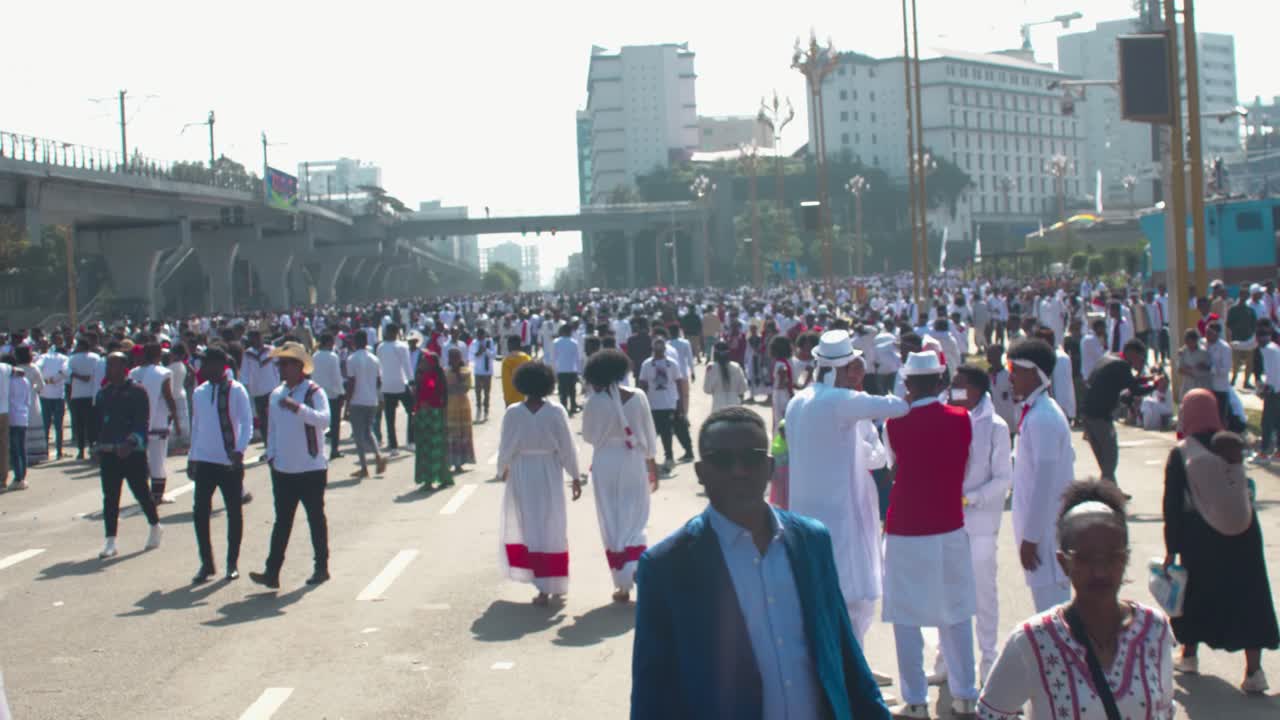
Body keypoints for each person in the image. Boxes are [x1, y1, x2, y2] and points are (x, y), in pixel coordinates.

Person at [631, 406, 891, 720]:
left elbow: (844, 652)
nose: (738, 470)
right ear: (701, 472)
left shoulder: (811, 541)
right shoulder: (668, 566)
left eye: (751, 458)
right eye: (722, 460)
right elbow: (652, 689)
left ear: (769, 467)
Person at [978, 481, 1176, 719]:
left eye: (1112, 557)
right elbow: (990, 714)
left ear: (1126, 558)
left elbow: (1164, 710)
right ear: (1063, 563)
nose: (1100, 571)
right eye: (1085, 558)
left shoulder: (1154, 629)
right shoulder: (1032, 641)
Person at [785, 329, 908, 678]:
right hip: (840, 514)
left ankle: (852, 666)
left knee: (821, 596)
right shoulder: (841, 401)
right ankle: (851, 674)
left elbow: (868, 456)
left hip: (807, 516)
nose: (859, 373)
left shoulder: (799, 401)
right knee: (850, 596)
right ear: (841, 368)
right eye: (855, 366)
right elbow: (899, 407)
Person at [882, 350, 978, 718]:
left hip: (906, 528)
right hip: (949, 523)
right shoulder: (962, 418)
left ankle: (916, 701)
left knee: (906, 616)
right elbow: (965, 466)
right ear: (940, 381)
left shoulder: (894, 423)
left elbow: (893, 467)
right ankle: (965, 694)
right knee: (957, 611)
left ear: (907, 383)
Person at [1162, 390, 1277, 694]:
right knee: (1249, 597)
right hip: (1245, 531)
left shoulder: (1183, 452)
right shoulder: (1231, 444)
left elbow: (1172, 505)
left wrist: (1172, 549)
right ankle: (1254, 672)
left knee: (1196, 593)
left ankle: (1189, 656)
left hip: (1201, 534)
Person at [943, 365, 1013, 684]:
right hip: (949, 521)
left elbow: (1003, 479)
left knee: (984, 595)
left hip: (981, 523)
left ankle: (988, 659)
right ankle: (946, 661)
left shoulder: (995, 426)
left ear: (974, 390)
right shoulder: (947, 418)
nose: (952, 390)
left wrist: (970, 498)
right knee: (948, 592)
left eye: (958, 385)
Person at [496, 362, 583, 606]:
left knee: (529, 527)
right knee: (552, 525)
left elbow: (505, 446)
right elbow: (567, 447)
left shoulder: (513, 412)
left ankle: (542, 586)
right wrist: (575, 475)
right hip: (549, 472)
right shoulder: (556, 411)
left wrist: (502, 469)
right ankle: (554, 582)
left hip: (522, 472)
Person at [250, 343, 332, 589]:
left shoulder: (314, 392)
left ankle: (321, 567)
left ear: (299, 366)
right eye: (280, 364)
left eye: (285, 363)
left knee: (315, 519)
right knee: (282, 522)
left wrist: (299, 408)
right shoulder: (277, 394)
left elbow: (324, 421)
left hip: (311, 467)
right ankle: (272, 571)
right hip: (284, 469)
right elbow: (272, 429)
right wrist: (271, 456)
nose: (281, 368)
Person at [581, 349, 658, 603]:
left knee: (611, 519)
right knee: (635, 518)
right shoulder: (639, 396)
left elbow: (589, 436)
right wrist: (652, 464)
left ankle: (621, 584)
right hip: (633, 460)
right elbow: (649, 433)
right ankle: (635, 567)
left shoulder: (594, 402)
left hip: (605, 461)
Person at [1008, 338, 1075, 611]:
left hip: (1045, 540)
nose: (1011, 377)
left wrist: (1032, 537)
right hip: (1041, 537)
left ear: (1035, 373)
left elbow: (1044, 483)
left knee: (1053, 619)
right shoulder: (1036, 412)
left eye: (1016, 370)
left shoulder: (1044, 417)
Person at [188, 346, 252, 583]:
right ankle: (206, 563)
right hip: (205, 460)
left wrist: (240, 450)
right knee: (200, 513)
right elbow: (196, 427)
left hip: (228, 460)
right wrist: (192, 457)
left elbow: (246, 422)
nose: (203, 368)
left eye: (207, 364)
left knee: (234, 512)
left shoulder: (236, 390)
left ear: (219, 365)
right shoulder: (200, 392)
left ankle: (232, 563)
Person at [95, 352, 163, 559]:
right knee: (110, 497)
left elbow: (142, 421)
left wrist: (131, 442)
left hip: (132, 452)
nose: (109, 369)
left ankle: (155, 524)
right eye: (108, 365)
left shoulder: (137, 391)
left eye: (114, 365)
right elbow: (98, 422)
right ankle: (110, 540)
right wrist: (97, 445)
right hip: (109, 452)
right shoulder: (104, 393)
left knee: (141, 492)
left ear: (124, 367)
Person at [1081, 338, 1153, 488]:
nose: (1140, 362)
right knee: (1110, 457)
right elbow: (1135, 390)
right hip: (1100, 416)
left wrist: (1147, 379)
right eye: (1140, 358)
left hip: (1088, 413)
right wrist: (1156, 385)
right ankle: (1106, 492)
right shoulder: (1122, 365)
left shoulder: (1110, 358)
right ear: (1132, 353)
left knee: (1104, 458)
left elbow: (1129, 382)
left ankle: (1112, 490)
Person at [129, 342, 180, 506]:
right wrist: (176, 419)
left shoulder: (133, 372)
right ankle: (157, 495)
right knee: (158, 459)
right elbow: (168, 397)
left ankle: (143, 493)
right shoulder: (163, 372)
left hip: (137, 422)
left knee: (141, 459)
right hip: (158, 421)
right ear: (158, 355)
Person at [637, 336, 692, 471]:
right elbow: (642, 384)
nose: (659, 349)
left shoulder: (672, 363)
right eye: (656, 346)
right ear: (652, 348)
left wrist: (680, 403)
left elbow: (678, 383)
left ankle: (669, 458)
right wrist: (641, 402)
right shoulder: (647, 364)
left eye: (661, 346)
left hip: (669, 404)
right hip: (652, 405)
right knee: (651, 432)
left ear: (664, 348)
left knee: (667, 432)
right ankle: (647, 458)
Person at [345, 331, 386, 479]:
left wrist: (347, 404)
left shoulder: (352, 359)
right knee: (368, 431)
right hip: (371, 400)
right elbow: (379, 381)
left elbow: (351, 383)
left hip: (357, 400)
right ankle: (378, 456)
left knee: (358, 435)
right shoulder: (374, 359)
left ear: (354, 342)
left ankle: (364, 467)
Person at [411, 351, 451, 489]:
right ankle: (441, 478)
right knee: (435, 448)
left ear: (431, 363)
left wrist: (423, 404)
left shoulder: (431, 377)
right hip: (431, 415)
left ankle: (429, 480)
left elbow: (430, 392)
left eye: (424, 361)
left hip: (429, 416)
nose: (421, 363)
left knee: (428, 448)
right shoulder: (429, 376)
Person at [376, 323, 414, 453]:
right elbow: (407, 365)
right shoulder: (402, 346)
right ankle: (411, 441)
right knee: (412, 411)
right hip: (401, 384)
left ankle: (393, 446)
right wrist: (411, 381)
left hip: (387, 385)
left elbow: (379, 366)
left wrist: (380, 381)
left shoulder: (380, 347)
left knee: (390, 417)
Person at [240, 330, 280, 452]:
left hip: (272, 389)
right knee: (263, 421)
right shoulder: (248, 354)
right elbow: (245, 373)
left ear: (261, 338)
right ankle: (268, 446)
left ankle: (277, 444)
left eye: (257, 338)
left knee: (274, 418)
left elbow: (278, 368)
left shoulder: (271, 350)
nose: (255, 341)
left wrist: (279, 384)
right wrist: (246, 387)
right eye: (252, 339)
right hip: (257, 391)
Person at [312, 333, 346, 460]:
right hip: (332, 394)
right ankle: (334, 449)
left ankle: (318, 450)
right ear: (328, 343)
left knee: (318, 424)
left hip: (318, 394)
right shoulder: (332, 357)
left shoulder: (314, 356)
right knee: (335, 424)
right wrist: (341, 392)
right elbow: (336, 377)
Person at [67, 338, 102, 460]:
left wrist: (78, 376)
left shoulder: (72, 359)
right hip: (92, 395)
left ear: (80, 346)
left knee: (79, 424)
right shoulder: (96, 358)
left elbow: (67, 373)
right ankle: (92, 446)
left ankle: (81, 450)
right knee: (91, 424)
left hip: (77, 395)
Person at [445, 346, 476, 473]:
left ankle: (459, 463)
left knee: (462, 433)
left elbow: (465, 388)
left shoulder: (466, 371)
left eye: (456, 357)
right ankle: (449, 462)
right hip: (449, 407)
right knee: (451, 434)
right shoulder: (445, 372)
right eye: (451, 357)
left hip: (463, 407)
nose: (453, 360)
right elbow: (445, 389)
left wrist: (456, 375)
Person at [2, 356, 30, 491]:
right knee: (21, 448)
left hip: (12, 416)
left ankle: (18, 478)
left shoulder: (9, 382)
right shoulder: (25, 380)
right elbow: (27, 399)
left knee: (14, 450)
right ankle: (22, 476)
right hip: (23, 416)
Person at [36, 340, 68, 460]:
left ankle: (45, 451)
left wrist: (44, 381)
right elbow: (65, 371)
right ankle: (59, 451)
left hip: (45, 395)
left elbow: (37, 367)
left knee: (46, 425)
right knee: (59, 426)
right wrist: (54, 379)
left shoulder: (43, 357)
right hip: (59, 396)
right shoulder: (64, 358)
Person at [701, 340, 748, 412]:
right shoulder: (736, 366)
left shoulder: (711, 367)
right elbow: (743, 389)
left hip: (717, 408)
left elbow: (706, 389)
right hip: (734, 407)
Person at [769, 334, 802, 434]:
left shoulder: (780, 363)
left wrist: (783, 383)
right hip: (784, 393)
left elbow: (783, 376)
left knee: (779, 418)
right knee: (783, 418)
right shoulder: (787, 361)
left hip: (780, 393)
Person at [1204, 320, 1233, 425]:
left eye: (1209, 333)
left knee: (1220, 417)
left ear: (1216, 334)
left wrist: (1210, 368)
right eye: (1206, 332)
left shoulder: (1224, 348)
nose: (1206, 335)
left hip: (1220, 388)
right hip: (1207, 386)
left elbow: (1226, 369)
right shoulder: (1204, 344)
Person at [469, 327, 497, 421]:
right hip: (478, 371)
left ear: (484, 334)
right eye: (478, 335)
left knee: (486, 392)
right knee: (478, 392)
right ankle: (478, 409)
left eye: (482, 335)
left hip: (487, 371)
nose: (480, 337)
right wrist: (479, 352)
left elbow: (493, 355)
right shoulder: (474, 343)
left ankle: (486, 411)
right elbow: (471, 357)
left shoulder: (489, 342)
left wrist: (485, 350)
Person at [1177, 328, 1212, 399]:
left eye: (1191, 342)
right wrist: (1188, 371)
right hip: (1188, 385)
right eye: (1187, 342)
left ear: (1196, 341)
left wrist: (1204, 367)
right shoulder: (1183, 352)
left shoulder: (1203, 352)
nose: (1189, 345)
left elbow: (1210, 369)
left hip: (1201, 385)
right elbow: (1179, 369)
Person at [501, 335, 533, 407]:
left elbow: (506, 383)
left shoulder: (507, 361)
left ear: (509, 346)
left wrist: (507, 400)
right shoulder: (528, 358)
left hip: (511, 400)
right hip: (527, 399)